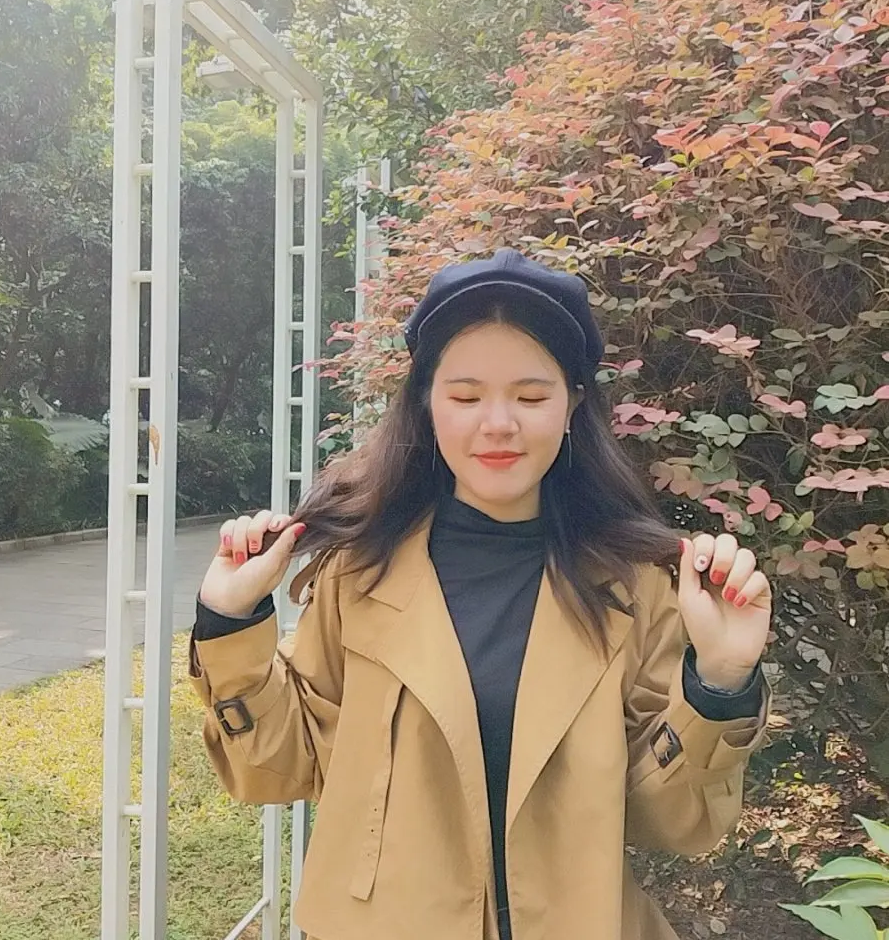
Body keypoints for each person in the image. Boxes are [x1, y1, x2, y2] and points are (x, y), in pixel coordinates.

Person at [190, 247, 771, 940]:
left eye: (531, 396)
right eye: (465, 396)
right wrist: (229, 622)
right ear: (427, 403)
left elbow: (671, 821)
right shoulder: (359, 571)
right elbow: (281, 767)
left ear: (572, 405)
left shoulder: (633, 584)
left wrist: (720, 680)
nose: (497, 423)